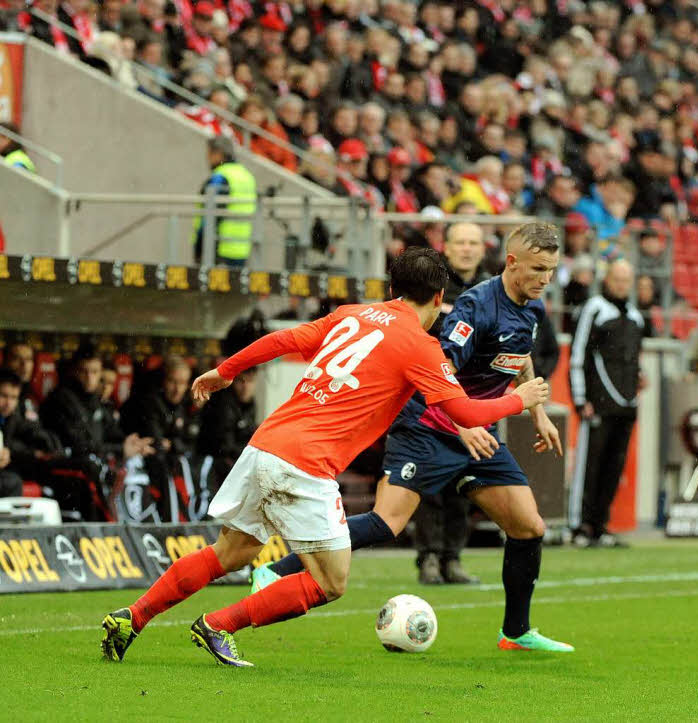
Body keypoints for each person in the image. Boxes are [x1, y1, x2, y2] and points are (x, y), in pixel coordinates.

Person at [99, 247, 550, 666]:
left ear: (392, 289)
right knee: (330, 582)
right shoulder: (420, 345)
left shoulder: (351, 314)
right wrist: (521, 397)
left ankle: (132, 616)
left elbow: (283, 340)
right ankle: (220, 625)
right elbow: (465, 411)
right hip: (305, 463)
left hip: (265, 444)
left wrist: (225, 371)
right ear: (438, 297)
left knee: (230, 551)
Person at [254, 223, 574, 653]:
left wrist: (538, 413)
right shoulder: (475, 307)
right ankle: (278, 570)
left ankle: (515, 633)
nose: (545, 279)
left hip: (479, 436)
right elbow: (435, 375)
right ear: (512, 262)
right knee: (387, 522)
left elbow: (520, 356)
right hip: (429, 429)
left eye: (551, 270)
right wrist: (464, 424)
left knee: (528, 527)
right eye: (538, 269)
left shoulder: (533, 308)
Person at [417, 222, 491, 585]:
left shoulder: (494, 290)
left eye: (472, 242)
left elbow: (536, 345)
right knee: (429, 482)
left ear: (482, 248)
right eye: (460, 242)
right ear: (445, 247)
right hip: (431, 399)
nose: (466, 248)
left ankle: (453, 557)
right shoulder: (431, 285)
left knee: (464, 481)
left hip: (475, 400)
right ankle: (428, 557)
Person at [567, 259, 646, 547]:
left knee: (614, 466)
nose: (622, 285)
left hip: (626, 405)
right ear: (607, 279)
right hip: (597, 403)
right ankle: (580, 525)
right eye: (617, 279)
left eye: (627, 280)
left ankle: (600, 524)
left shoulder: (636, 317)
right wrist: (580, 399)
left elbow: (634, 359)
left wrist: (641, 378)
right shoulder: (594, 309)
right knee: (590, 464)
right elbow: (578, 356)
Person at [40, 345, 156, 518]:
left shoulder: (96, 401)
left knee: (137, 463)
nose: (89, 377)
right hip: (68, 462)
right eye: (84, 371)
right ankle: (103, 525)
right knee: (94, 466)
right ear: (74, 371)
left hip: (97, 456)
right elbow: (78, 444)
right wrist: (119, 450)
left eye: (94, 372)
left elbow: (113, 433)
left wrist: (133, 445)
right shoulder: (62, 399)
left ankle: (140, 524)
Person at [119, 356, 199, 520]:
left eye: (183, 383)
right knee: (164, 466)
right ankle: (169, 522)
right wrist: (173, 445)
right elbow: (157, 445)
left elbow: (194, 443)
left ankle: (193, 517)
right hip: (142, 460)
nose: (177, 388)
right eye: (173, 382)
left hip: (169, 459)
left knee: (189, 464)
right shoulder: (150, 402)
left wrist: (174, 445)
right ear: (163, 381)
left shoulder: (184, 404)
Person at [193, 136, 257, 268]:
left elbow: (211, 215)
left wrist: (200, 246)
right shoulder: (246, 175)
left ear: (218, 153)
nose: (207, 158)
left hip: (218, 247)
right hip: (241, 248)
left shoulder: (221, 176)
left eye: (209, 153)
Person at [0, 370, 62, 497]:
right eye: (3, 396)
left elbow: (31, 431)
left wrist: (48, 444)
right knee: (12, 482)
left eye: (13, 397)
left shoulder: (12, 417)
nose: (8, 403)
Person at [196, 366, 259, 482]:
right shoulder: (224, 403)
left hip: (235, 458)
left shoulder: (250, 404)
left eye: (250, 381)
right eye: (241, 381)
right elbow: (226, 447)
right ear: (233, 381)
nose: (245, 387)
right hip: (213, 462)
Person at [2, 342, 39, 419]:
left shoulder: (30, 394)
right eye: (17, 358)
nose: (24, 365)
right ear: (5, 362)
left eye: (28, 359)